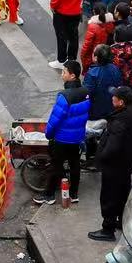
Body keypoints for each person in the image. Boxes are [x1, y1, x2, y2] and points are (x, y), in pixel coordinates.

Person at [89, 85, 132, 242]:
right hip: (126, 164)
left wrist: (102, 157)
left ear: (121, 102)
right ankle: (121, 220)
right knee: (122, 193)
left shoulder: (120, 122)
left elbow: (113, 146)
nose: (112, 98)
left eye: (114, 97)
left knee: (109, 197)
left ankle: (108, 229)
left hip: (114, 166)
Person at [33, 64, 89, 207]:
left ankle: (49, 195)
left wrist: (48, 134)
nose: (61, 74)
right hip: (77, 137)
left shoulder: (64, 96)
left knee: (56, 166)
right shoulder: (86, 92)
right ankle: (74, 194)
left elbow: (55, 119)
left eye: (64, 72)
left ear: (72, 76)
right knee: (75, 164)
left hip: (62, 139)